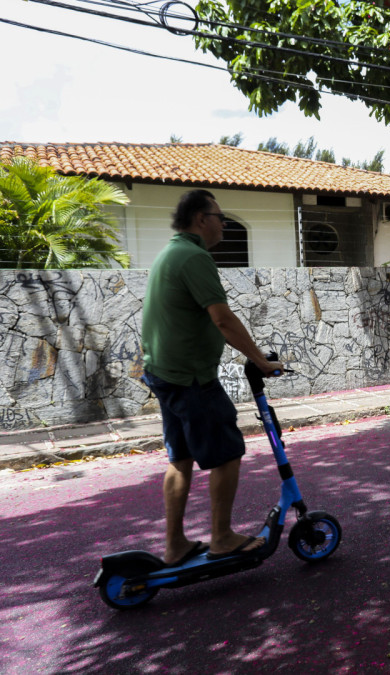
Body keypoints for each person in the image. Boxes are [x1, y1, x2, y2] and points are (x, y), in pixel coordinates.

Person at [140, 189, 283, 565]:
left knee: (181, 458)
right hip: (190, 378)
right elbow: (222, 318)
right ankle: (220, 537)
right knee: (227, 453)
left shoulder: (170, 253)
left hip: (164, 372)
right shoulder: (194, 257)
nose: (224, 224)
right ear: (201, 218)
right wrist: (261, 361)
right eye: (220, 217)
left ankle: (175, 546)